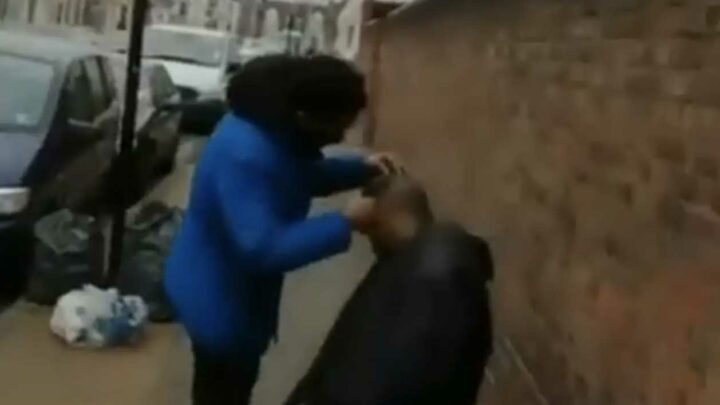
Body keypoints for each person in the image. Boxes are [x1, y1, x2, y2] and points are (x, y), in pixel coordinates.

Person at [164, 55, 400, 405]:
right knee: (223, 389)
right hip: (218, 299)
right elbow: (263, 249)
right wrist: (345, 220)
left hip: (230, 290)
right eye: (338, 126)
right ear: (307, 116)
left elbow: (300, 174)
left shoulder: (273, 128)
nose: (340, 135)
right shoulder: (246, 154)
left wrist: (362, 169)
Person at [285, 175, 494, 405]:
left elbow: (385, 383)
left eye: (370, 230)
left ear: (383, 215)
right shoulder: (422, 264)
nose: (371, 243)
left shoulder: (432, 286)